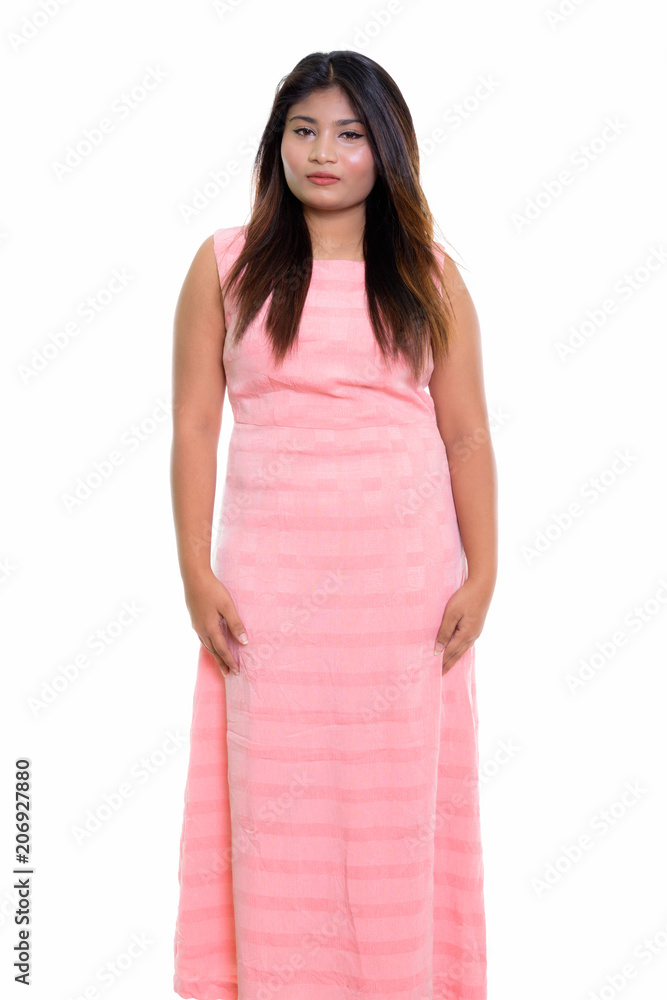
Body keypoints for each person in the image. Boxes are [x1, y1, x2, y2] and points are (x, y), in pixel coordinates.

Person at [171, 49, 496, 1000]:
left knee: (396, 804)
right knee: (274, 803)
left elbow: (466, 433)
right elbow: (194, 427)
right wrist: (195, 572)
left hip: (404, 595)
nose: (323, 152)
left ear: (386, 150)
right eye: (303, 130)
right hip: (268, 596)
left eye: (350, 134)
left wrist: (482, 574)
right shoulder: (226, 265)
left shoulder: (430, 276)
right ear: (276, 143)